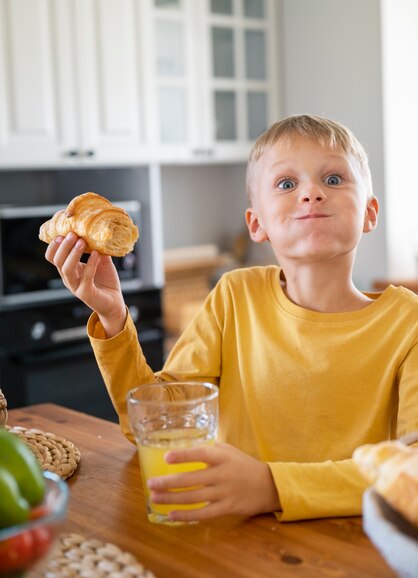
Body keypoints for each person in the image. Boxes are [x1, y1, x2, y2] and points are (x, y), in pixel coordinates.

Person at [45, 114, 418, 524]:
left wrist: (270, 486)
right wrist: (113, 315)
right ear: (256, 223)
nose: (311, 192)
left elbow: (412, 472)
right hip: (238, 539)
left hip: (353, 546)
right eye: (286, 184)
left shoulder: (408, 325)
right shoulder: (233, 297)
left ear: (369, 212)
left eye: (333, 179)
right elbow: (154, 426)